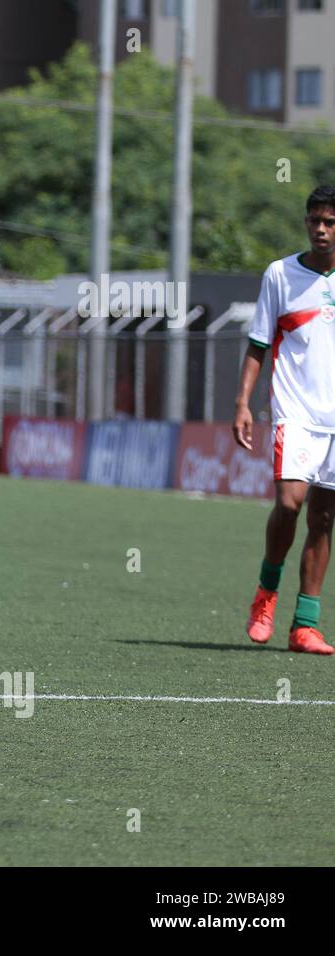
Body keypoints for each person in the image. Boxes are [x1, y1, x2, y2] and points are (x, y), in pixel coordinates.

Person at [235, 184, 335, 655]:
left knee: (324, 518)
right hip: (294, 412)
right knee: (291, 504)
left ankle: (305, 626)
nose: (320, 228)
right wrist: (242, 403)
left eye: (330, 222)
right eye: (314, 219)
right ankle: (266, 594)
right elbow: (258, 343)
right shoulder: (280, 274)